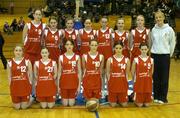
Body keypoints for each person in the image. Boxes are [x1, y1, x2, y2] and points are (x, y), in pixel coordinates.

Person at [151, 10, 176, 104]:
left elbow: (172, 43)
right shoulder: (153, 29)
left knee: (164, 77)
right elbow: (153, 42)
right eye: (156, 18)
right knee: (156, 77)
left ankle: (163, 97)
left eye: (160, 17)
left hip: (165, 56)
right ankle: (156, 96)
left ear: (163, 18)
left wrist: (169, 54)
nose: (158, 19)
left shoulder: (169, 29)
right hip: (155, 55)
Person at [7, 45, 33, 110]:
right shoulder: (9, 62)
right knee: (17, 107)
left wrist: (30, 84)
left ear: (22, 52)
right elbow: (9, 76)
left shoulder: (27, 61)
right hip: (15, 87)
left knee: (24, 107)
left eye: (20, 50)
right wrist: (10, 86)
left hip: (25, 87)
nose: (18, 52)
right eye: (16, 50)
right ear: (14, 52)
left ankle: (31, 98)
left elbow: (31, 74)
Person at [58, 39, 82, 106]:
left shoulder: (77, 57)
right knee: (65, 104)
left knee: (71, 104)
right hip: (64, 83)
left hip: (73, 83)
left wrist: (79, 86)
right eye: (67, 44)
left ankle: (73, 99)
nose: (69, 46)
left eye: (71, 44)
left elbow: (79, 72)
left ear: (73, 46)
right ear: (65, 46)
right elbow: (59, 72)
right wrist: (58, 86)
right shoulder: (61, 57)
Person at [106, 41, 130, 107]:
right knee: (113, 105)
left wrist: (126, 82)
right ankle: (110, 97)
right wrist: (109, 81)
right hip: (113, 84)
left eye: (120, 48)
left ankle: (123, 98)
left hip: (122, 85)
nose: (118, 50)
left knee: (124, 105)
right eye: (116, 48)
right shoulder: (110, 59)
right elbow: (107, 72)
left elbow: (127, 73)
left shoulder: (126, 60)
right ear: (114, 48)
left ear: (123, 48)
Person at [131, 42, 153, 107]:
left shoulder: (151, 60)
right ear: (140, 50)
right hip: (139, 83)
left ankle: (146, 97)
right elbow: (132, 72)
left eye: (145, 49)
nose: (144, 51)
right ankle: (134, 97)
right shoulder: (136, 59)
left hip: (147, 83)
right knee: (140, 105)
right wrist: (135, 80)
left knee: (147, 105)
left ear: (148, 50)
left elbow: (151, 72)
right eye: (142, 49)